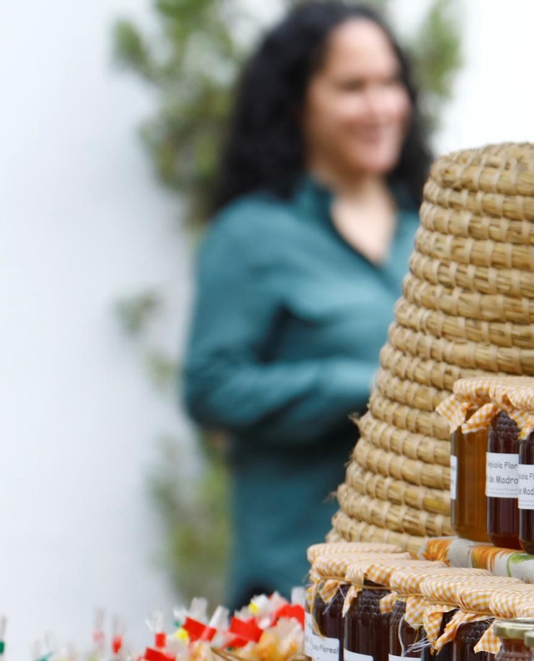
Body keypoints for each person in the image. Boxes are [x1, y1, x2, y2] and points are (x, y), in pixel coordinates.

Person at [182, 3, 428, 603]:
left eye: (390, 83)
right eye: (352, 87)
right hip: (297, 581)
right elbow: (210, 387)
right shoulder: (251, 234)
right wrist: (361, 385)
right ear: (298, 102)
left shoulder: (431, 229)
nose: (379, 106)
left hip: (422, 580)